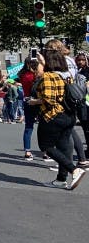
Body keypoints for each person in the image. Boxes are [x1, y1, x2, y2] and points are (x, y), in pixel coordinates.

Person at [29, 49, 84, 189]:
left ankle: (74, 170)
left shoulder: (49, 76)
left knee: (46, 146)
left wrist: (34, 101)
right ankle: (61, 179)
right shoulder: (66, 75)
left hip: (53, 116)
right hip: (69, 115)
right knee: (64, 146)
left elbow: (49, 99)